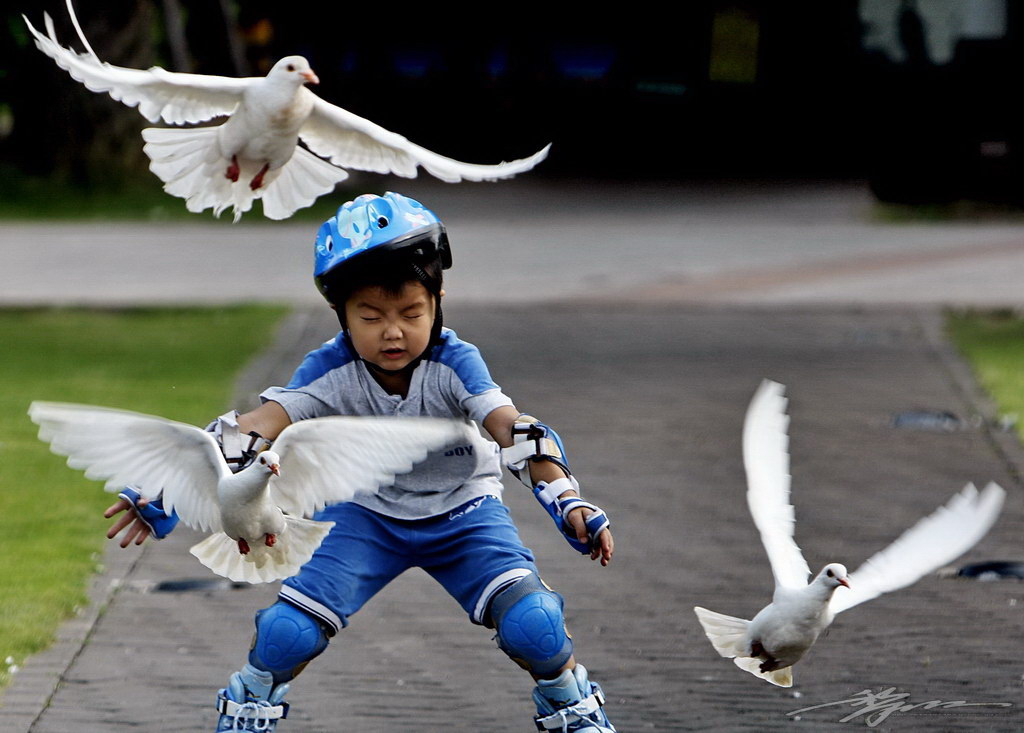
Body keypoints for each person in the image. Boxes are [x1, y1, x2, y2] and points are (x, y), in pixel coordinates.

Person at [105, 192, 616, 732]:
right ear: (340, 313)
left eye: (411, 313)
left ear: (438, 299)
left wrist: (567, 500)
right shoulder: (329, 368)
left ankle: (572, 706)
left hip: (465, 513)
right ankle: (248, 706)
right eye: (370, 316)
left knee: (533, 623)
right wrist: (164, 491)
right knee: (287, 633)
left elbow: (515, 431)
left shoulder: (455, 362)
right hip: (365, 517)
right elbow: (255, 429)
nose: (392, 332)